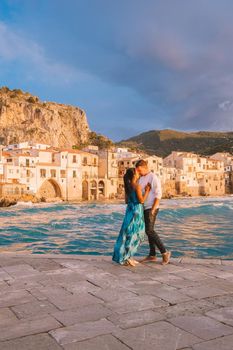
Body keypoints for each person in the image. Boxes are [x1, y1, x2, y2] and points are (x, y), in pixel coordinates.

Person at [112, 168, 151, 266]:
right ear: (134, 175)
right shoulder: (136, 186)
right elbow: (141, 201)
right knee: (135, 234)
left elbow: (126, 201)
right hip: (137, 211)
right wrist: (147, 191)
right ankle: (127, 257)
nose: (138, 174)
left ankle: (127, 257)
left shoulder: (128, 187)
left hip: (129, 210)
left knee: (127, 233)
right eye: (137, 173)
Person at [136, 159, 171, 265]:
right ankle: (152, 255)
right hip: (144, 208)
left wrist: (153, 209)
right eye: (137, 170)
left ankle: (165, 253)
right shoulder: (141, 178)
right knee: (148, 231)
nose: (138, 172)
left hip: (152, 207)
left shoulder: (153, 177)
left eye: (140, 170)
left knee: (150, 231)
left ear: (145, 167)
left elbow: (158, 194)